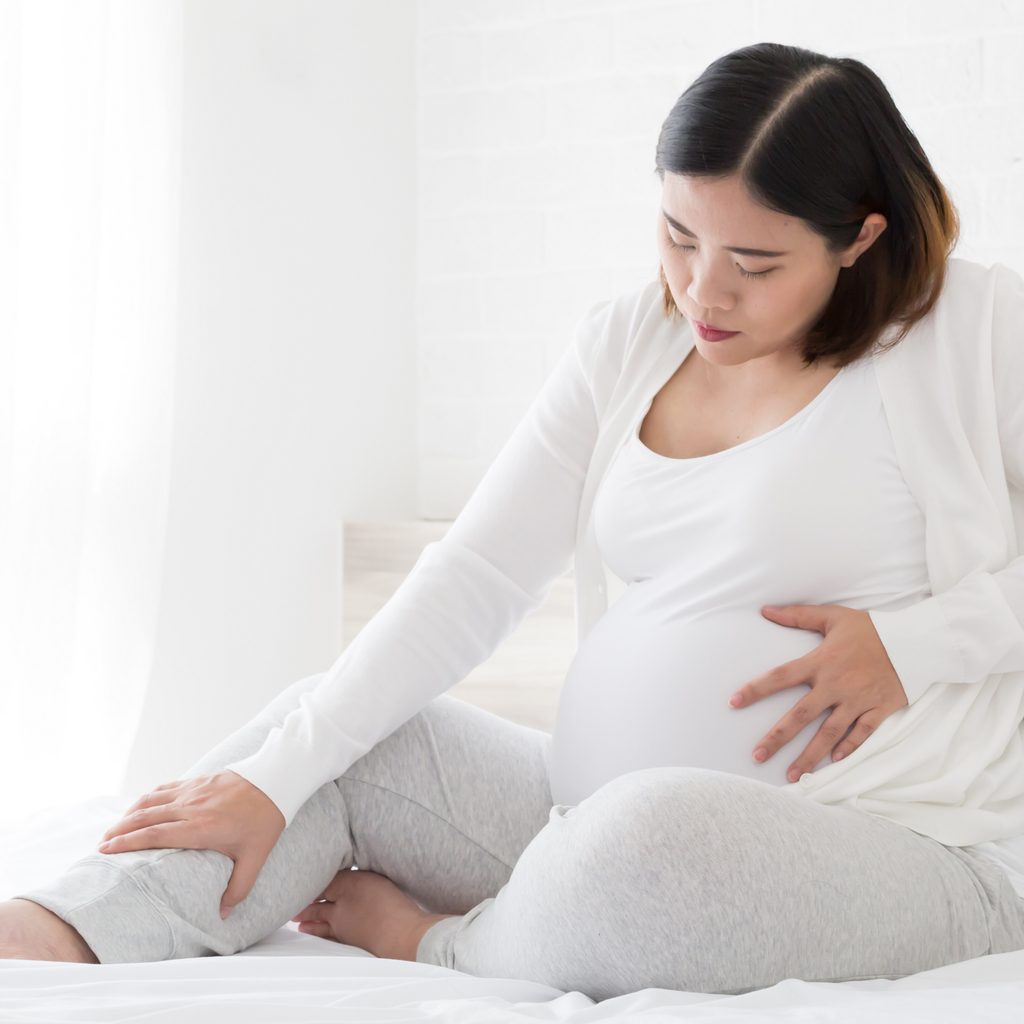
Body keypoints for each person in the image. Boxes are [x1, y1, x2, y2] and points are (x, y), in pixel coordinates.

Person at [3, 41, 1024, 999]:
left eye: (753, 263)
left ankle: (445, 941)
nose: (700, 289)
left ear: (859, 235)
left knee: (642, 842)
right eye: (677, 235)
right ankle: (68, 928)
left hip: (905, 847)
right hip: (572, 822)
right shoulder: (633, 337)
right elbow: (478, 571)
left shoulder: (975, 332)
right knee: (339, 731)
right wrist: (273, 778)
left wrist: (914, 644)